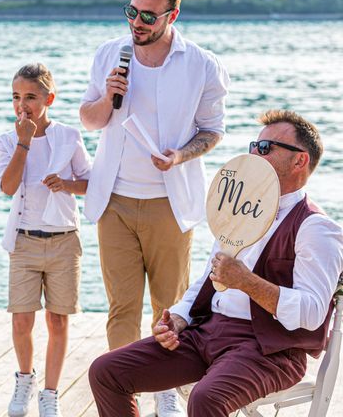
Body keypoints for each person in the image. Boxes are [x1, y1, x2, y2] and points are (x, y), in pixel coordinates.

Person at [88, 110, 343, 417]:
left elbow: (313, 313)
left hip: (270, 350)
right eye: (252, 146)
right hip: (206, 333)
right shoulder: (238, 208)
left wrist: (247, 282)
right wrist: (180, 317)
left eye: (265, 148)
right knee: (106, 372)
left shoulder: (317, 228)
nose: (253, 154)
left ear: (300, 161)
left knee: (206, 399)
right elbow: (210, 276)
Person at [79, 0, 229, 413]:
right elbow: (89, 118)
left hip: (170, 202)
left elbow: (212, 131)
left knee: (170, 307)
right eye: (131, 11)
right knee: (120, 307)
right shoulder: (109, 54)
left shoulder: (202, 64)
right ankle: (123, 395)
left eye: (147, 15)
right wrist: (107, 96)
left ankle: (166, 390)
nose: (136, 22)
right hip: (114, 203)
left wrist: (180, 156)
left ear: (172, 14)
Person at [0, 64, 91, 417]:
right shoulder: (8, 140)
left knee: (58, 320)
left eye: (31, 97)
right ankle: (25, 379)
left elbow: (91, 183)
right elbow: (7, 188)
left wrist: (66, 185)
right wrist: (23, 141)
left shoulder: (69, 136)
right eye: (16, 98)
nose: (23, 105)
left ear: (49, 99)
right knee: (21, 320)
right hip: (24, 241)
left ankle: (50, 393)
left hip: (65, 240)